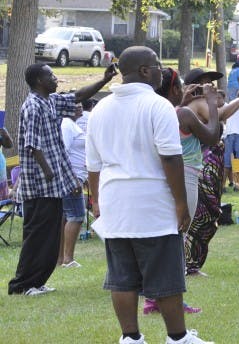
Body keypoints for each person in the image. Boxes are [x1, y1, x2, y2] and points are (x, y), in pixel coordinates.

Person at [85, 46, 212, 344]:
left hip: (115, 204)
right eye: (156, 65)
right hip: (152, 205)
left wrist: (95, 201)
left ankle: (130, 338)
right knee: (167, 277)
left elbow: (93, 165)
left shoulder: (100, 109)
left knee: (122, 277)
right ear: (144, 71)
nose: (160, 70)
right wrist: (181, 203)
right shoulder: (158, 106)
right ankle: (178, 338)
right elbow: (171, 157)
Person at [8, 62, 115, 296]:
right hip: (39, 186)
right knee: (37, 236)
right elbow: (32, 144)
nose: (56, 79)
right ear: (39, 81)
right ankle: (21, 285)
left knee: (49, 236)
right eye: (51, 75)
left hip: (54, 185)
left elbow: (78, 95)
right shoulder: (33, 106)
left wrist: (104, 80)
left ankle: (37, 281)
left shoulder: (50, 101)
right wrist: (48, 172)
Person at [145, 68, 220, 316]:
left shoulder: (156, 111)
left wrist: (185, 101)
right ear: (175, 89)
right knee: (178, 237)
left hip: (159, 177)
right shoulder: (183, 113)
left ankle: (154, 298)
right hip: (186, 175)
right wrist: (210, 101)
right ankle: (171, 298)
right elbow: (212, 135)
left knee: (164, 237)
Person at [181, 67, 239, 277]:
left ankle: (192, 263)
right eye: (207, 82)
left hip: (213, 164)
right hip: (202, 164)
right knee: (203, 213)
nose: (213, 86)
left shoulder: (204, 104)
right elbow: (222, 113)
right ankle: (188, 264)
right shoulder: (198, 104)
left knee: (211, 213)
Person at [59, 103, 86, 268]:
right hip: (71, 179)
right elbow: (64, 153)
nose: (80, 108)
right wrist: (73, 179)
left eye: (81, 105)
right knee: (76, 216)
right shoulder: (66, 125)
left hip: (76, 177)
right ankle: (68, 258)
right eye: (76, 106)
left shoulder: (72, 125)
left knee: (66, 217)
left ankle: (61, 258)